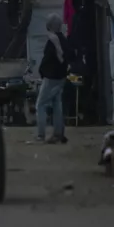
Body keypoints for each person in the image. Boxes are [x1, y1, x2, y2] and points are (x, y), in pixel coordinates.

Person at [36, 14, 68, 144]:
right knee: (57, 103)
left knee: (41, 104)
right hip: (61, 76)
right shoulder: (63, 39)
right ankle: (58, 133)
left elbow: (47, 58)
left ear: (49, 26)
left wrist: (41, 71)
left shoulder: (52, 40)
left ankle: (41, 134)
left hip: (51, 77)